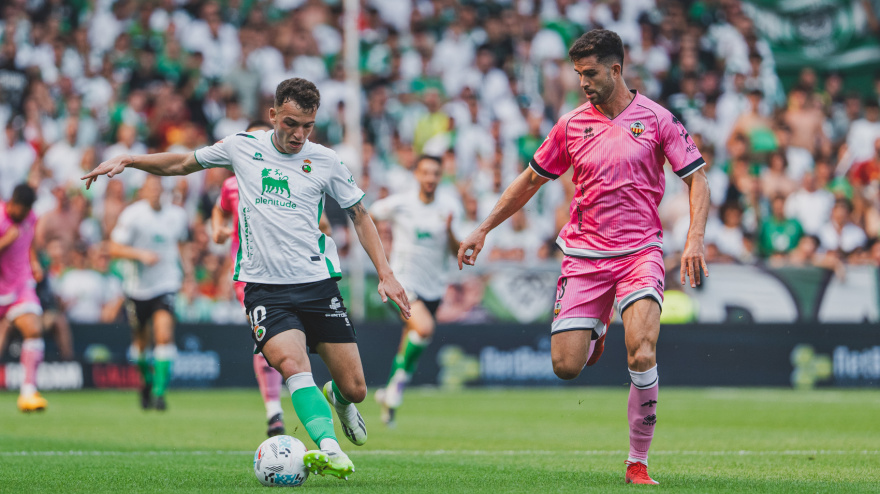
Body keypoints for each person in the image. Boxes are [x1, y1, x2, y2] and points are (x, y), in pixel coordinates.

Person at [84, 77, 411, 480]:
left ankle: (340, 402)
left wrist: (386, 273)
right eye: (291, 123)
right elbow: (184, 162)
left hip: (317, 286)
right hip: (264, 290)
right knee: (293, 365)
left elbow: (360, 215)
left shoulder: (325, 160)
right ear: (273, 115)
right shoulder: (243, 147)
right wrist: (131, 160)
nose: (298, 134)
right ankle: (330, 449)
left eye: (307, 126)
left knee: (356, 387)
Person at [457, 30, 710, 485]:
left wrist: (693, 238)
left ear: (616, 69)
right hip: (585, 257)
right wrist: (483, 228)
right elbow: (530, 181)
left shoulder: (657, 119)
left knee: (643, 351)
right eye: (578, 74)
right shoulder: (571, 124)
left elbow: (697, 178)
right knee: (566, 366)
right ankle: (597, 328)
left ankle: (638, 462)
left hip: (641, 253)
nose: (582, 83)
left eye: (590, 73)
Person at [370, 155, 460, 426]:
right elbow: (367, 215)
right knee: (424, 328)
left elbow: (457, 251)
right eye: (425, 173)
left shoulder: (449, 207)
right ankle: (395, 393)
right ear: (416, 175)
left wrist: (450, 231)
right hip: (403, 283)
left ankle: (389, 396)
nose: (430, 178)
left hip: (433, 287)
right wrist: (381, 254)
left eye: (435, 173)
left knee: (411, 338)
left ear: (440, 176)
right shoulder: (401, 204)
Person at [108, 175, 188, 411]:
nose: (154, 192)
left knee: (164, 334)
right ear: (142, 191)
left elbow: (181, 244)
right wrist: (140, 255)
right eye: (150, 188)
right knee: (141, 343)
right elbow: (113, 248)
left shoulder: (177, 215)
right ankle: (146, 381)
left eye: (158, 188)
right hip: (137, 287)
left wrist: (188, 272)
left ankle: (160, 392)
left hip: (166, 283)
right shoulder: (133, 215)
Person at [0, 184, 49, 412]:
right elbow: (13, 240)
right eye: (22, 209)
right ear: (12, 202)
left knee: (34, 330)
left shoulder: (30, 218)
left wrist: (35, 262)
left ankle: (28, 392)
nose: (25, 214)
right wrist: (6, 241)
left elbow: (28, 243)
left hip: (20, 287)